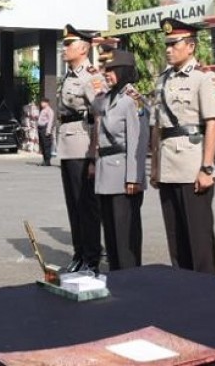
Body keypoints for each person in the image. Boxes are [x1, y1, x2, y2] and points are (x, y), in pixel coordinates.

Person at [150, 17, 215, 274]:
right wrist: (155, 167)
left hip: (193, 165)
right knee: (176, 237)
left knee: (198, 237)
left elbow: (213, 124)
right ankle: (181, 287)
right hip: (168, 165)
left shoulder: (204, 78)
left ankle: (205, 291)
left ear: (190, 46)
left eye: (174, 43)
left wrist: (207, 168)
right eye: (166, 45)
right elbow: (157, 128)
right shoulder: (162, 80)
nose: (168, 49)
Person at [56, 24, 106, 273]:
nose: (64, 48)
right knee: (73, 204)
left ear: (84, 48)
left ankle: (91, 256)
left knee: (85, 205)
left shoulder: (91, 77)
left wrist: (95, 154)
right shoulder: (67, 75)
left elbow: (99, 116)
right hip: (67, 146)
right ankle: (79, 252)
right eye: (64, 44)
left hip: (82, 147)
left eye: (69, 44)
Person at [94, 50, 148, 270]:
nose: (107, 74)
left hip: (124, 173)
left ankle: (131, 277)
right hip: (105, 171)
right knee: (111, 233)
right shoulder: (107, 97)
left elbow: (138, 141)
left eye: (112, 70)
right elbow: (92, 109)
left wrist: (134, 177)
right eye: (106, 70)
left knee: (125, 234)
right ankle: (116, 275)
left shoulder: (133, 101)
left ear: (124, 71)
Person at [36, 98, 54, 167]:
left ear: (47, 103)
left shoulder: (50, 111)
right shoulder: (43, 110)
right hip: (40, 128)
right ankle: (44, 160)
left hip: (45, 129)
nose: (41, 104)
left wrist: (48, 131)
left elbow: (50, 121)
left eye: (42, 102)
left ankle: (47, 161)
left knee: (46, 145)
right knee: (42, 145)